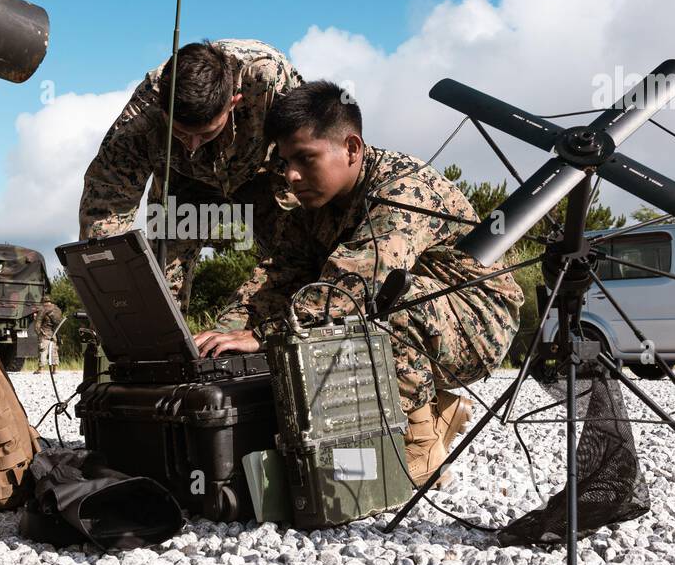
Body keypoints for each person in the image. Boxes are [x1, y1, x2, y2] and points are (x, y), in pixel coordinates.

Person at [195, 81, 524, 487]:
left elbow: (354, 287)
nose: (292, 176)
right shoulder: (314, 203)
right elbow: (275, 277)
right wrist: (220, 338)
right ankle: (438, 409)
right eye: (284, 163)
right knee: (332, 305)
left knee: (385, 299)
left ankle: (419, 448)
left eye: (305, 158)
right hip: (433, 318)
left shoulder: (403, 188)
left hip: (479, 322)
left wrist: (265, 333)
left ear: (352, 148)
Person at [78, 39, 303, 306]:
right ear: (163, 111)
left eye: (205, 133)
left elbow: (309, 147)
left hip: (261, 173)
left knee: (297, 254)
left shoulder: (267, 77)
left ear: (233, 103)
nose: (193, 146)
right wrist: (109, 284)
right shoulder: (142, 115)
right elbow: (107, 199)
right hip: (186, 181)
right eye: (181, 133)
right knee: (162, 289)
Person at [35, 298, 63, 368]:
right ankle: (55, 369)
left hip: (45, 332)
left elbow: (38, 323)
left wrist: (38, 332)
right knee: (54, 350)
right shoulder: (57, 309)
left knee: (43, 350)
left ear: (43, 302)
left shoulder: (43, 309)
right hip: (55, 333)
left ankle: (40, 369)